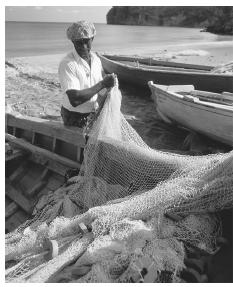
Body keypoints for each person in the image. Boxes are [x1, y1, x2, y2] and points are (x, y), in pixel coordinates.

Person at [58, 20, 115, 128]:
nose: (83, 46)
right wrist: (103, 84)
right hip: (74, 117)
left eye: (86, 41)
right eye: (79, 42)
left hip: (93, 113)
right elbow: (75, 99)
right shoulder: (68, 64)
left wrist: (108, 82)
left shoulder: (96, 59)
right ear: (73, 41)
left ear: (92, 38)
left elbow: (101, 82)